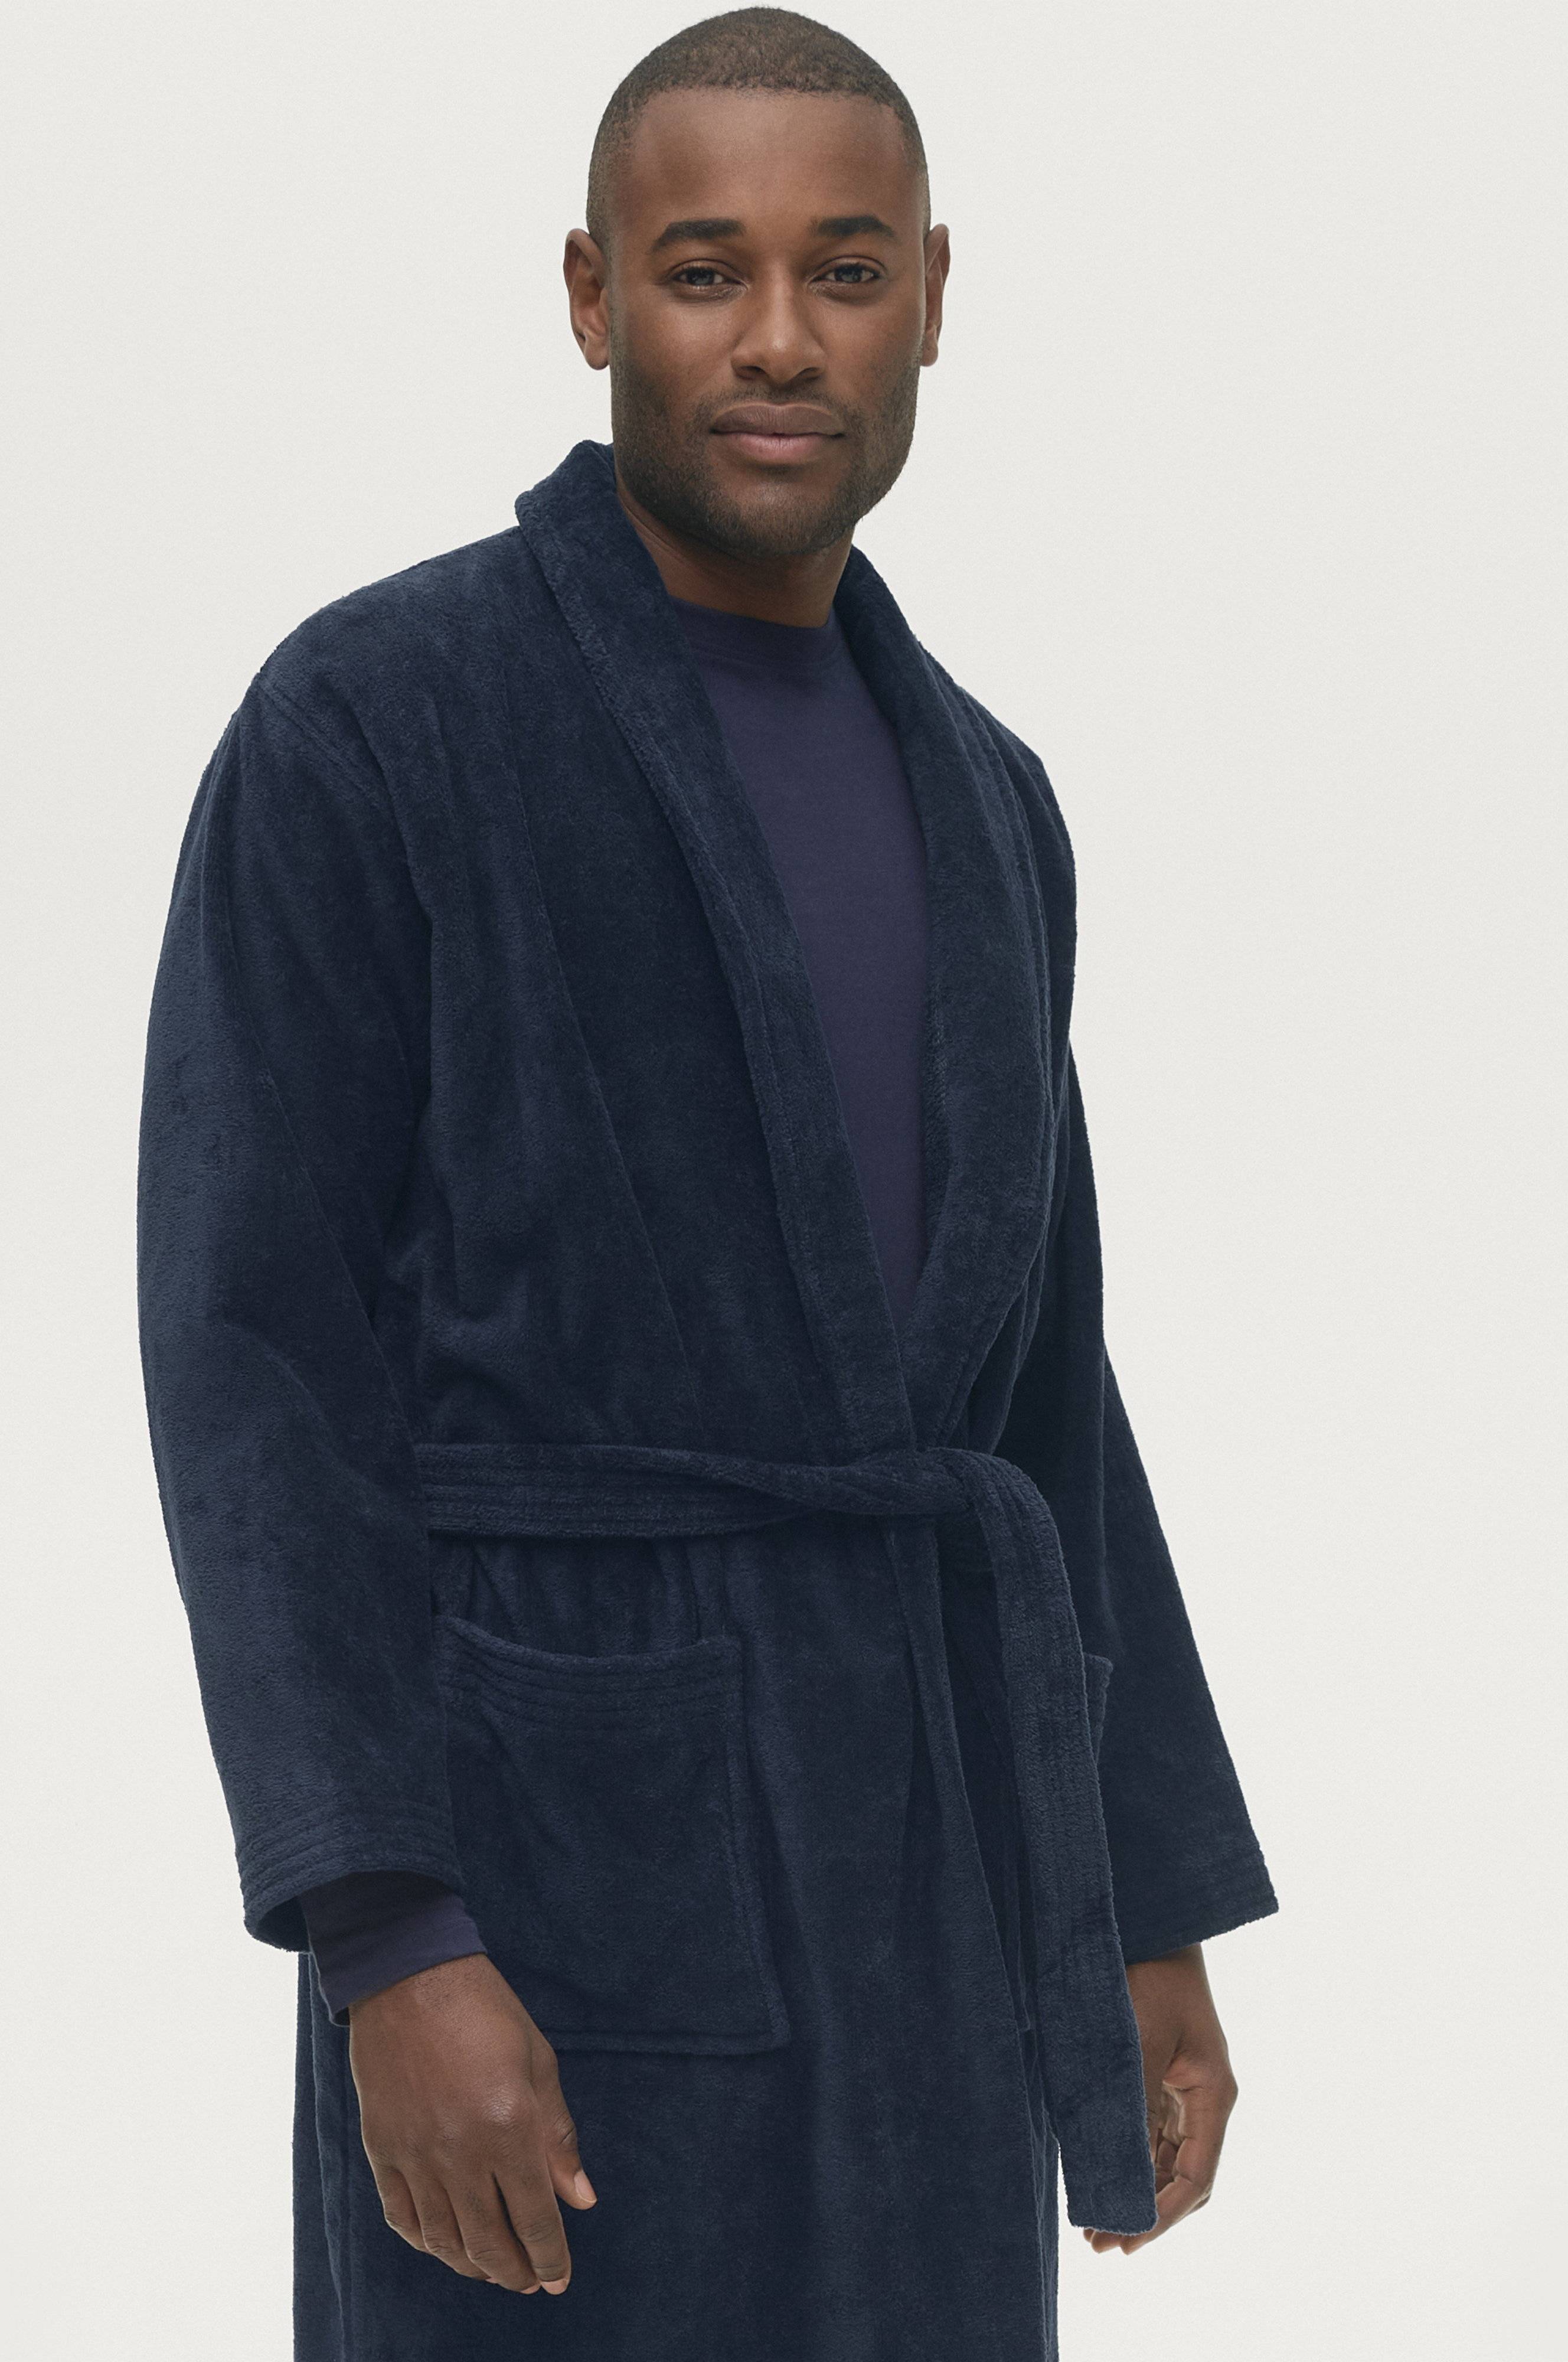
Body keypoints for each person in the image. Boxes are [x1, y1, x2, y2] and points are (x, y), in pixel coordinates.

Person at [138, 11, 1276, 2357]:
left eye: (843, 270)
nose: (776, 337)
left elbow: (1043, 1385)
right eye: (701, 269)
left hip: (937, 1884)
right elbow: (256, 1358)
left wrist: (1141, 1897)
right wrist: (386, 1930)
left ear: (933, 299)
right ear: (591, 297)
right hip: (550, 1873)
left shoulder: (992, 795)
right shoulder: (378, 718)